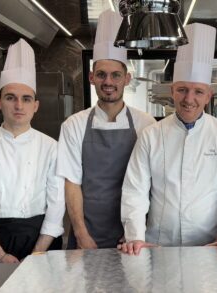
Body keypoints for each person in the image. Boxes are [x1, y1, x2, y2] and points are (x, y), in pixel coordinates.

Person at [119, 23, 217, 255]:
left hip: (211, 246)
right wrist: (135, 237)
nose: (189, 99)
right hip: (159, 245)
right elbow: (135, 189)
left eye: (198, 91)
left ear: (208, 95)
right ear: (172, 91)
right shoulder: (151, 135)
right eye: (182, 90)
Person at [57, 10, 156, 249]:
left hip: (133, 235)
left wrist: (137, 231)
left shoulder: (146, 123)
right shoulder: (74, 125)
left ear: (127, 78)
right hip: (87, 232)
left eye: (115, 75)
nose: (108, 82)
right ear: (91, 77)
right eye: (101, 74)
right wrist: (81, 234)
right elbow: (71, 183)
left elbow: (155, 184)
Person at [0, 38, 65, 263]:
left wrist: (37, 254)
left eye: (26, 99)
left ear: (35, 106)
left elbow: (56, 207)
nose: (19, 106)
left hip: (42, 243)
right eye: (11, 98)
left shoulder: (52, 147)